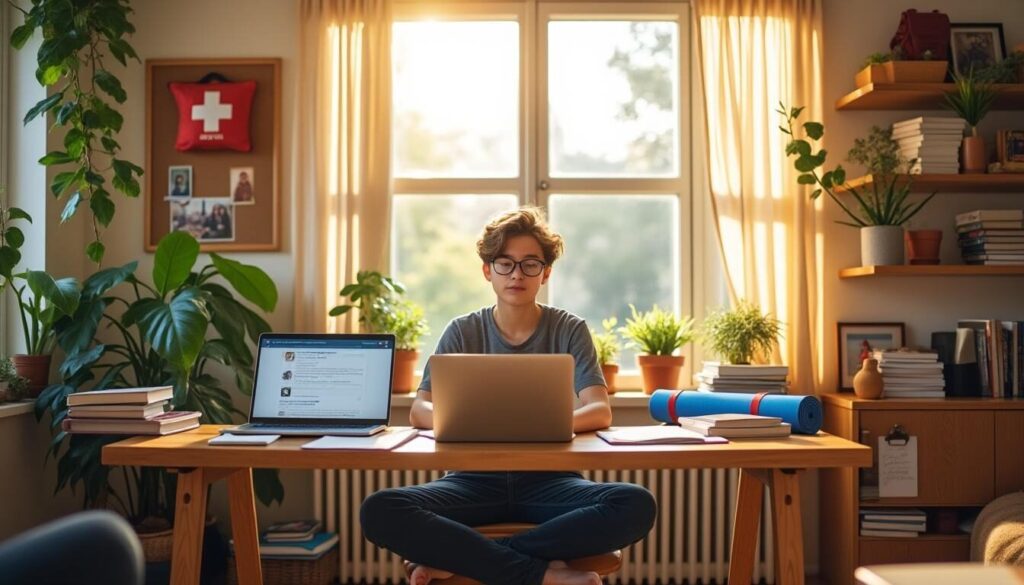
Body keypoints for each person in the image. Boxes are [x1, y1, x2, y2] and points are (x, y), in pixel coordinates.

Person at [360, 207, 657, 585]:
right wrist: (470, 425)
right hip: (470, 482)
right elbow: (420, 410)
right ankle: (544, 574)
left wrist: (539, 428)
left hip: (551, 482)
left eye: (530, 264)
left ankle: (469, 560)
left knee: (634, 504)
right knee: (381, 509)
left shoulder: (569, 328)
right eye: (505, 263)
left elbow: (599, 411)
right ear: (488, 271)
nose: (517, 274)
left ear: (546, 273)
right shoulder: (462, 330)